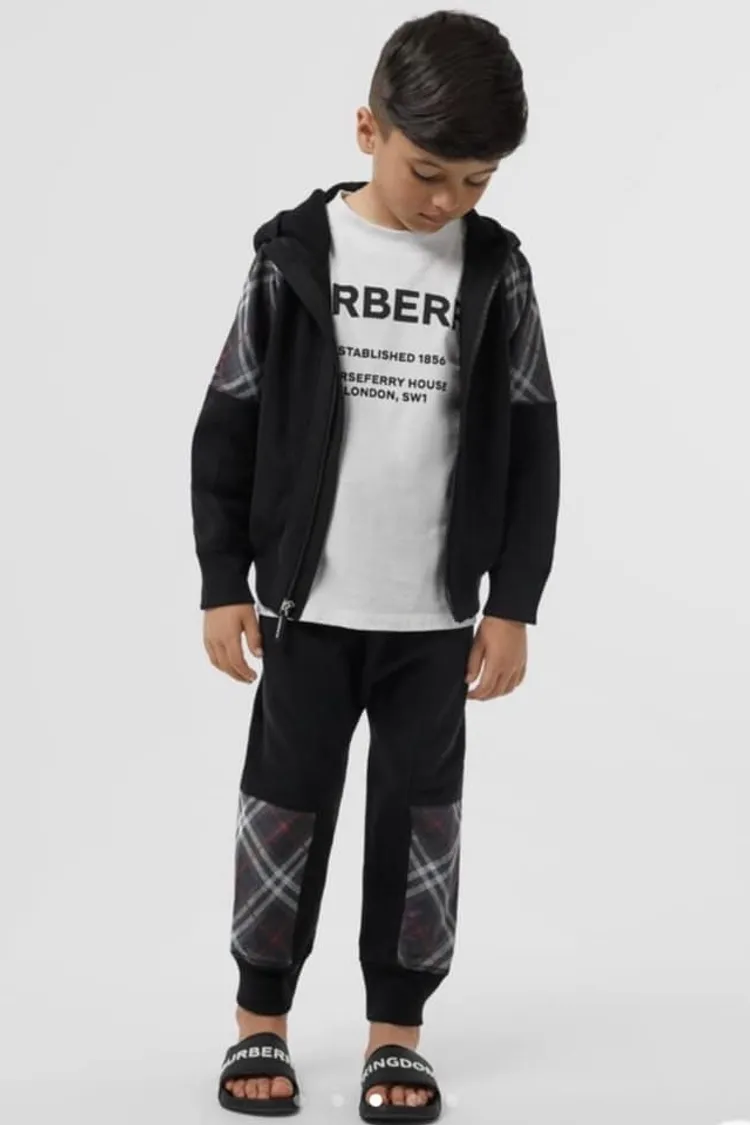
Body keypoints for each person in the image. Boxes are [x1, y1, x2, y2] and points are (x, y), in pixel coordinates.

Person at [190, 9, 560, 1120]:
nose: (447, 202)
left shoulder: (496, 273)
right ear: (368, 130)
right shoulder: (293, 258)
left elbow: (534, 440)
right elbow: (228, 419)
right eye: (427, 172)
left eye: (477, 182)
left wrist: (514, 602)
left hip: (434, 619)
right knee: (284, 810)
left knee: (420, 819)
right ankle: (259, 1018)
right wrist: (222, 578)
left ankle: (397, 1030)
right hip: (307, 609)